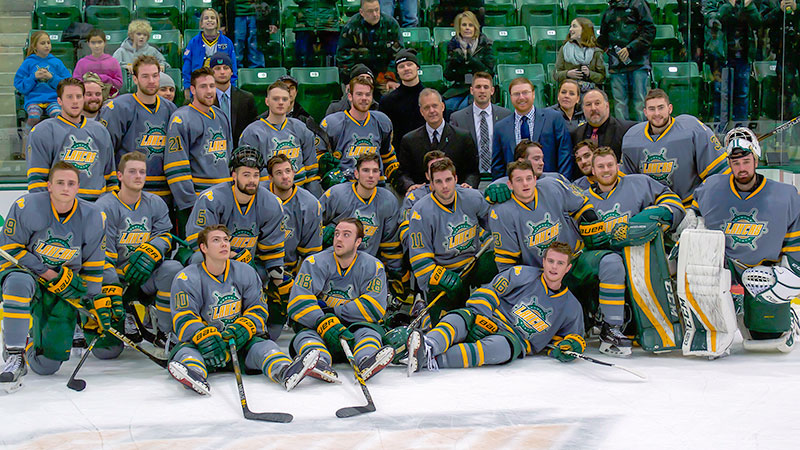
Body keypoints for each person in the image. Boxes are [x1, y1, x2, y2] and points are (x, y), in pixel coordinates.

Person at [680, 127, 800, 356]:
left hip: (763, 274)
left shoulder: (785, 196)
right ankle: (733, 305)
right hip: (724, 269)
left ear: (756, 159)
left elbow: (796, 242)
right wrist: (692, 217)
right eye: (736, 163)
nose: (741, 168)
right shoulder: (713, 188)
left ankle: (787, 317)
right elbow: (696, 210)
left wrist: (789, 273)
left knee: (766, 337)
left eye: (746, 161)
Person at [487, 160, 628, 354]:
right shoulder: (502, 212)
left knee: (612, 262)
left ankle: (612, 329)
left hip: (575, 260)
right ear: (510, 185)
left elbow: (582, 204)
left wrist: (591, 224)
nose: (526, 184)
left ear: (536, 179)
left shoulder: (552, 186)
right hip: (543, 276)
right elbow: (507, 265)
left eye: (529, 178)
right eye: (519, 180)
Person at [168, 224, 319, 395]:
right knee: (187, 352)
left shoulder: (245, 271)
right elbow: (183, 317)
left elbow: (258, 307)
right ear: (203, 247)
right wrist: (205, 336)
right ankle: (195, 375)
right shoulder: (186, 278)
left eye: (226, 240)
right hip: (206, 346)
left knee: (264, 346)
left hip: (238, 345)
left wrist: (244, 327)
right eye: (216, 240)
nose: (224, 244)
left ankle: (284, 371)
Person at [0, 162, 105, 392]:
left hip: (62, 287)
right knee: (18, 283)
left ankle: (29, 341)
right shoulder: (27, 206)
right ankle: (15, 353)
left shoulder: (93, 216)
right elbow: (10, 250)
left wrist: (91, 305)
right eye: (60, 183)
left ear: (78, 187)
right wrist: (48, 273)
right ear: (49, 186)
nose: (65, 188)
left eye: (71, 183)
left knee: (46, 365)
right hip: (25, 274)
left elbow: (94, 266)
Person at [406, 242, 586, 373]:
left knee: (498, 350)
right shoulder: (522, 274)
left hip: (512, 337)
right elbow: (490, 291)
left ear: (568, 268)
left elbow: (572, 339)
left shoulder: (572, 307)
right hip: (487, 316)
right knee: (457, 319)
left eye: (560, 263)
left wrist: (569, 347)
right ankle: (428, 345)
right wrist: (481, 317)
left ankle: (432, 360)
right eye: (551, 261)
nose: (554, 267)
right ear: (544, 261)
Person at [584, 146, 686, 355]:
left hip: (640, 257)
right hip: (607, 264)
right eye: (601, 166)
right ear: (593, 171)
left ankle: (659, 328)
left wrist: (659, 213)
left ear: (618, 166)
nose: (606, 170)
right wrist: (590, 239)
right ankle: (607, 323)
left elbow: (674, 203)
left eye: (610, 165)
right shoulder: (582, 198)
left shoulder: (639, 183)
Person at [184, 146, 290, 340]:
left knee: (265, 276)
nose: (252, 180)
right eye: (246, 175)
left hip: (248, 266)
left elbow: (272, 252)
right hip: (215, 263)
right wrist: (233, 256)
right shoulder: (211, 199)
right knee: (197, 260)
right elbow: (197, 242)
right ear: (234, 175)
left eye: (256, 175)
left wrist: (280, 285)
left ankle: (249, 322)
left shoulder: (271, 203)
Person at [287, 218, 395, 382]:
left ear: (358, 241)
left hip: (353, 332)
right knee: (305, 335)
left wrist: (332, 313)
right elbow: (297, 303)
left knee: (369, 332)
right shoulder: (314, 263)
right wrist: (322, 321)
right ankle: (319, 362)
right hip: (320, 329)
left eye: (346, 235)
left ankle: (366, 361)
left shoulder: (373, 266)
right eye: (337, 234)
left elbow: (374, 307)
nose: (338, 239)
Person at [94, 152, 184, 350]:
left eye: (142, 172)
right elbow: (102, 255)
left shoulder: (156, 202)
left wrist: (152, 250)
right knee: (107, 352)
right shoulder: (105, 206)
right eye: (132, 171)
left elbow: (165, 235)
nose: (138, 176)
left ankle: (165, 330)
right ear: (119, 175)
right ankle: (125, 309)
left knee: (173, 269)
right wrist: (116, 282)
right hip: (115, 279)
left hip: (145, 275)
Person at [407, 159, 495, 324]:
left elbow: (496, 225)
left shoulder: (473, 197)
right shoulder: (420, 211)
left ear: (455, 179)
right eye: (438, 181)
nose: (445, 186)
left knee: (500, 261)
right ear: (431, 184)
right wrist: (437, 276)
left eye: (448, 180)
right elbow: (418, 256)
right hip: (444, 271)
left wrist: (502, 202)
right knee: (447, 324)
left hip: (473, 263)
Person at [621, 89, 729, 206]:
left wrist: (701, 204)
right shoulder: (632, 138)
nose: (657, 113)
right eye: (652, 109)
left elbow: (719, 173)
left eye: (661, 107)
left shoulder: (692, 129)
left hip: (690, 205)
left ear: (670, 109)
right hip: (653, 209)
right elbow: (627, 184)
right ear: (645, 112)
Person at [97, 55, 177, 202]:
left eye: (155, 76)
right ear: (135, 79)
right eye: (145, 76)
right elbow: (106, 152)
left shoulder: (171, 109)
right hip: (128, 190)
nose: (152, 81)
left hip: (164, 191)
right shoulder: (119, 108)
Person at [164, 67, 233, 231]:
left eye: (212, 85)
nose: (209, 91)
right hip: (197, 199)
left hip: (223, 197)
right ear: (193, 90)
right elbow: (175, 165)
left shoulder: (221, 115)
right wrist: (190, 202)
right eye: (203, 86)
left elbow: (228, 157)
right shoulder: (181, 118)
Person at [27, 78, 117, 202]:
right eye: (69, 97)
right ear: (59, 101)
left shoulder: (101, 131)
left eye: (79, 96)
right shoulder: (43, 131)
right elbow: (37, 182)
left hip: (95, 208)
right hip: (60, 208)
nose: (75, 101)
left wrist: (107, 208)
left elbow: (110, 179)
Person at [320, 154, 403, 283]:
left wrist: (395, 274)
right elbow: (311, 227)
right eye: (365, 170)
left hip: (366, 270)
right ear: (356, 174)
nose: (371, 175)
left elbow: (390, 244)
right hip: (332, 265)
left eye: (375, 171)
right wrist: (324, 233)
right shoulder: (337, 194)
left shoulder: (388, 201)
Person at [239, 81, 321, 196]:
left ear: (289, 102)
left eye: (284, 99)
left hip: (299, 193)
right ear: (267, 101)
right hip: (267, 195)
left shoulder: (300, 128)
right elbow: (248, 174)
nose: (280, 103)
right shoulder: (252, 132)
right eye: (276, 99)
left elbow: (312, 171)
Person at [318, 77, 400, 189]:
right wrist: (327, 169)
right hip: (344, 187)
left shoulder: (382, 121)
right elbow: (319, 157)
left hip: (376, 187)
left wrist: (398, 177)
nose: (364, 98)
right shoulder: (333, 123)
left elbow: (388, 158)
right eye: (359, 94)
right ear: (350, 96)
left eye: (368, 95)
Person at [396, 88, 479, 193]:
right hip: (423, 199)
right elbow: (403, 173)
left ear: (442, 107)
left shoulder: (463, 137)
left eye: (435, 106)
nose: (432, 111)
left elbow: (473, 172)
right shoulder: (409, 140)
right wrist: (410, 186)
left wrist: (468, 185)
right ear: (421, 112)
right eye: (427, 107)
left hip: (457, 197)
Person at [492, 78, 573, 180]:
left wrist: (562, 184)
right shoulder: (501, 127)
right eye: (516, 94)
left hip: (549, 185)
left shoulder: (553, 118)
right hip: (516, 188)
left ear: (533, 94)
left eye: (525, 93)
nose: (521, 97)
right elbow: (497, 166)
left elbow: (565, 155)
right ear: (510, 97)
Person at [706, 0, 763, 124]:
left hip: (743, 56)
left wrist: (749, 7)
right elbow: (713, 20)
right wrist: (729, 5)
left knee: (742, 95)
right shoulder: (715, 2)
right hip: (721, 56)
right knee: (721, 94)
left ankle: (740, 131)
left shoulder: (747, 3)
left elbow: (758, 23)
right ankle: (720, 132)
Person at [597, 0, 656, 121]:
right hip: (616, 64)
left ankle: (643, 134)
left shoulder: (638, 4)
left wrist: (631, 48)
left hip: (638, 62)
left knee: (640, 103)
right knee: (620, 104)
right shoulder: (609, 11)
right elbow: (604, 37)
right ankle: (623, 136)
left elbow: (649, 31)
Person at [265, 154, 322, 276]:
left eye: (288, 171)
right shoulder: (259, 198)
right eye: (279, 173)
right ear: (270, 177)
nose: (285, 176)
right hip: (261, 265)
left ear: (294, 173)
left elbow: (310, 255)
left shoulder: (310, 204)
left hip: (290, 269)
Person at [449, 72, 512, 176]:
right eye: (478, 87)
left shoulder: (505, 115)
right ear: (471, 90)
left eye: (486, 87)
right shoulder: (457, 118)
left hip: (499, 176)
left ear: (492, 91)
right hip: (469, 178)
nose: (482, 91)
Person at [484, 139, 571, 205]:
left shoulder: (557, 178)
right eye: (536, 159)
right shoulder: (501, 185)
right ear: (521, 161)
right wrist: (489, 196)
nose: (542, 163)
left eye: (542, 159)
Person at [14, 31, 71, 130]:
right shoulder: (28, 63)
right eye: (42, 43)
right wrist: (33, 77)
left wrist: (52, 78)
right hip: (34, 100)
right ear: (34, 46)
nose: (46, 46)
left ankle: (58, 139)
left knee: (58, 115)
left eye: (48, 43)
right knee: (34, 116)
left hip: (53, 99)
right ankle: (28, 136)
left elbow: (68, 83)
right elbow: (19, 85)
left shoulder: (57, 62)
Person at [336, 0, 402, 84]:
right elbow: (344, 58)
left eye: (377, 10)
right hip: (359, 76)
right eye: (370, 11)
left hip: (385, 75)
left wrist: (391, 78)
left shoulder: (391, 24)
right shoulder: (351, 27)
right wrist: (352, 80)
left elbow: (398, 54)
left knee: (392, 93)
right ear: (361, 12)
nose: (375, 14)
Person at [442, 11, 495, 115]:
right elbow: (448, 75)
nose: (467, 28)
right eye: (464, 25)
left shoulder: (485, 44)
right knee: (447, 106)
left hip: (480, 88)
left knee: (464, 108)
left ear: (475, 27)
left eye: (470, 25)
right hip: (459, 88)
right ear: (459, 28)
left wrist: (472, 61)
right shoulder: (452, 45)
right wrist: (455, 62)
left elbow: (489, 72)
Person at [182, 9, 237, 101]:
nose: (209, 20)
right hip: (200, 84)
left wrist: (233, 86)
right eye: (206, 18)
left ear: (217, 22)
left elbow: (233, 66)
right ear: (201, 23)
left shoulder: (227, 42)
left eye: (213, 18)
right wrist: (187, 87)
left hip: (221, 85)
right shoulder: (193, 42)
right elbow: (187, 67)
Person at [378, 49, 426, 152]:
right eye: (401, 66)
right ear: (397, 71)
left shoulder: (430, 97)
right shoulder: (388, 101)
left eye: (409, 64)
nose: (406, 68)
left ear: (417, 67)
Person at [209, 52, 256, 148]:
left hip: (240, 152)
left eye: (226, 68)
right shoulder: (205, 99)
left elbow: (253, 129)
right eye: (217, 68)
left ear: (231, 71)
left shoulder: (246, 98)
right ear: (211, 72)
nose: (222, 72)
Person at [570, 89, 634, 160]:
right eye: (588, 104)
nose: (593, 108)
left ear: (607, 106)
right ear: (583, 109)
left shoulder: (626, 130)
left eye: (597, 103)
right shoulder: (575, 135)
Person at [764, 0, 799, 117]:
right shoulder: (771, 2)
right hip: (782, 52)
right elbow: (761, 21)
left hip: (797, 46)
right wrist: (779, 11)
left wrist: (797, 8)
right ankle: (787, 123)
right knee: (786, 91)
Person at [554, 18, 606, 95]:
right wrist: (567, 73)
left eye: (574, 26)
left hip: (589, 89)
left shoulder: (596, 52)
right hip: (570, 88)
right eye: (570, 27)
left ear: (584, 30)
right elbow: (556, 74)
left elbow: (602, 78)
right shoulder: (564, 49)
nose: (571, 30)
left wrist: (589, 74)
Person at [73, 28, 123, 97]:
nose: (96, 46)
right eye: (93, 43)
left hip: (110, 97)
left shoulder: (113, 61)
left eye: (99, 42)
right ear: (88, 44)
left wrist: (105, 78)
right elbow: (76, 83)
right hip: (88, 98)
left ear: (105, 43)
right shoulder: (82, 63)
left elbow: (119, 84)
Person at [294, 0, 340, 67]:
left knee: (333, 55)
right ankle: (302, 76)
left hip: (329, 22)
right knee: (302, 55)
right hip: (305, 20)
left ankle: (332, 75)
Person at [231, 0, 275, 68]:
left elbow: (272, 3)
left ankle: (257, 69)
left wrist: (273, 21)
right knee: (238, 43)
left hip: (258, 14)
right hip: (235, 13)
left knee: (255, 43)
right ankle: (235, 69)